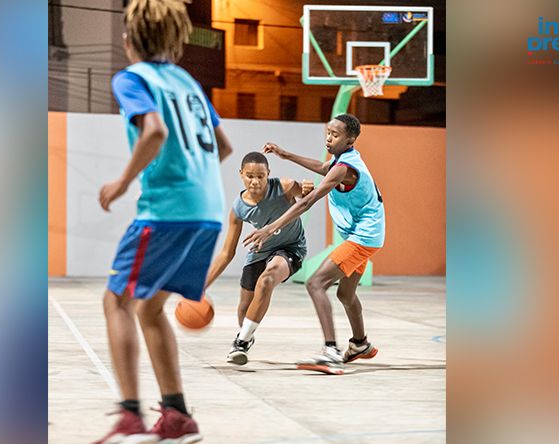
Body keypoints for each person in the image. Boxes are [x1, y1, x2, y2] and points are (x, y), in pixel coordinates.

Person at [95, 0, 233, 442]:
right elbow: (223, 146)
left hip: (169, 211)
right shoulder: (188, 82)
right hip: (209, 211)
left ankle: (129, 411)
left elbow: (154, 131)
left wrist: (121, 183)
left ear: (130, 40)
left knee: (116, 299)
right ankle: (176, 413)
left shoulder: (132, 78)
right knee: (149, 305)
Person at [243, 114, 384, 375]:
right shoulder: (344, 160)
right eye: (327, 132)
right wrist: (286, 155)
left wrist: (271, 227)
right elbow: (323, 167)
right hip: (367, 235)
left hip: (362, 237)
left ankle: (330, 351)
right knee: (345, 294)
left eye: (335, 134)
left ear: (350, 139)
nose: (328, 138)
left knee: (315, 282)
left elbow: (308, 201)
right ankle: (360, 344)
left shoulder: (344, 168)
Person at [203, 152, 313, 365]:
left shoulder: (285, 186)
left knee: (267, 280)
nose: (255, 181)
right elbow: (227, 253)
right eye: (250, 176)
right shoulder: (238, 209)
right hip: (260, 251)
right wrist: (201, 287)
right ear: (241, 174)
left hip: (291, 248)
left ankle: (241, 342)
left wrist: (307, 189)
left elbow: (305, 199)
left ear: (268, 174)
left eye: (260, 176)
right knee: (244, 306)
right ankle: (246, 335)